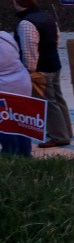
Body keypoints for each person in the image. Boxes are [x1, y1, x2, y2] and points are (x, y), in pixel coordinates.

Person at [12, 0, 72, 148]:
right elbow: (56, 40)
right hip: (54, 64)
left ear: (16, 3)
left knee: (48, 103)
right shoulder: (48, 17)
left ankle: (59, 136)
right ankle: (66, 131)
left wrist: (28, 72)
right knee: (58, 100)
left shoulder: (26, 23)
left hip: (40, 69)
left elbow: (29, 51)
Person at [0, 28, 32, 156]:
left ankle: (11, 155)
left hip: (4, 87)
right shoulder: (5, 36)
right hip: (22, 82)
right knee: (22, 122)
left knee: (5, 124)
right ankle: (25, 155)